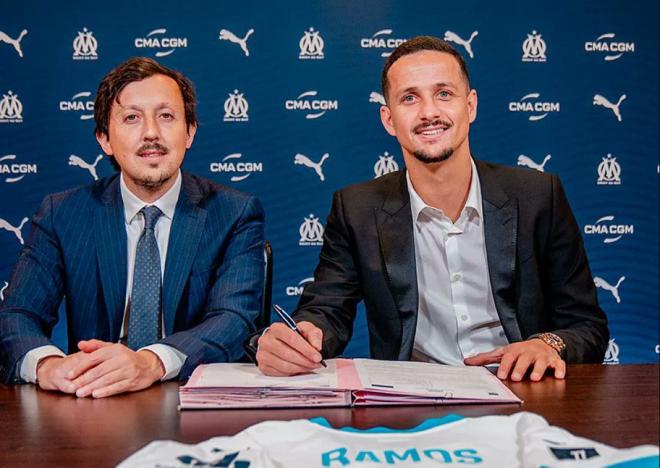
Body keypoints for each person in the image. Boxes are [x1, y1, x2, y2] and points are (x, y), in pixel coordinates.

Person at [254, 36, 608, 381]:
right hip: (411, 400)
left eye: (444, 94)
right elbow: (327, 309)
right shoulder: (356, 208)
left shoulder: (538, 196)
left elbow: (586, 326)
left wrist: (546, 344)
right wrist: (302, 337)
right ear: (388, 119)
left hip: (522, 391)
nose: (429, 112)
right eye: (409, 98)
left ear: (470, 106)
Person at [0, 57, 264, 397]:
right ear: (105, 140)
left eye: (166, 116)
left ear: (190, 132)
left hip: (193, 403)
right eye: (131, 118)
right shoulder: (62, 213)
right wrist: (48, 365)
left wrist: (150, 362)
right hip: (92, 402)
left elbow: (235, 319)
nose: (151, 132)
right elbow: (17, 314)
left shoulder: (234, 212)